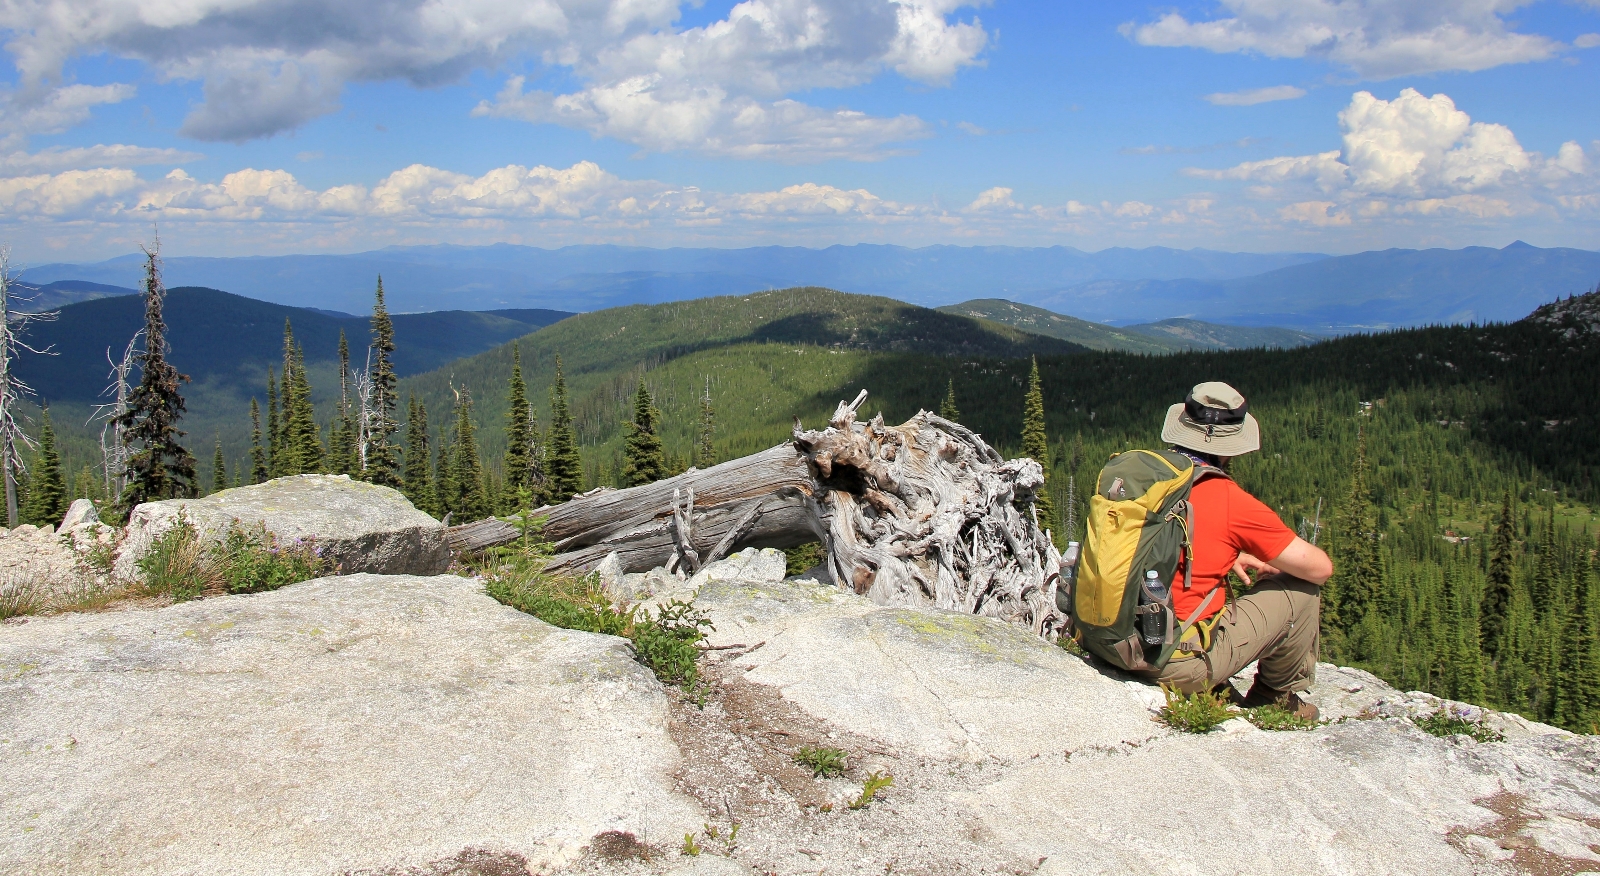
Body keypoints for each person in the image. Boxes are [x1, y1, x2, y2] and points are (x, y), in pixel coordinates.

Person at [1148, 381, 1333, 720]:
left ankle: (1217, 683)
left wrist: (1228, 554)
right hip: (1170, 664)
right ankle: (1273, 699)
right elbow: (1320, 568)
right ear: (1230, 448)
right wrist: (1272, 562)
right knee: (1304, 590)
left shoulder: (1141, 477)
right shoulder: (1229, 500)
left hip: (1113, 640)